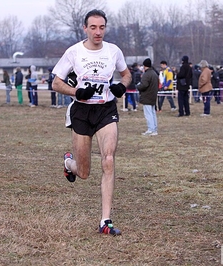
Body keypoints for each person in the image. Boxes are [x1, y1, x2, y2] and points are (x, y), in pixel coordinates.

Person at [51, 9, 131, 236]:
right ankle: (69, 165)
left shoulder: (113, 51)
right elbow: (56, 83)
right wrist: (77, 91)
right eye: (93, 27)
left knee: (108, 160)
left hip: (106, 110)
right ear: (85, 28)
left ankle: (105, 221)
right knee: (84, 172)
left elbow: (126, 75)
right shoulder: (73, 52)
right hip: (82, 112)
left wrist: (122, 86)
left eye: (102, 27)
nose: (98, 32)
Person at [137, 58, 159, 135]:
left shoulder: (147, 74)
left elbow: (144, 85)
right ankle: (154, 129)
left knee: (148, 114)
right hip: (153, 96)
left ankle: (150, 129)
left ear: (145, 65)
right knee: (153, 113)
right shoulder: (154, 73)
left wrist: (138, 86)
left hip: (147, 96)